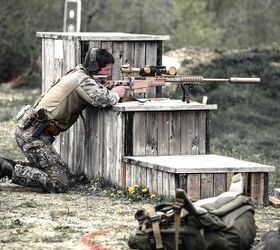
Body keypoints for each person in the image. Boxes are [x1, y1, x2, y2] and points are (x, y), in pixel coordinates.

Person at [0, 48, 127, 193]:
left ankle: (6, 166)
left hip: (32, 131)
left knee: (54, 170)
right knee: (58, 183)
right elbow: (102, 99)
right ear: (94, 66)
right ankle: (7, 169)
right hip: (34, 135)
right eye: (107, 68)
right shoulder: (82, 80)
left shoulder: (77, 74)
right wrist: (116, 93)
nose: (109, 72)